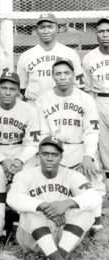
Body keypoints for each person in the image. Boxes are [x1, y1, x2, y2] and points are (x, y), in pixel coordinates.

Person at [7, 136, 101, 260]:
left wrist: (66, 204)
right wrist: (43, 206)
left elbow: (95, 197)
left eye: (54, 155)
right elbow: (12, 198)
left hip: (63, 237)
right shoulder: (25, 175)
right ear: (38, 156)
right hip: (33, 239)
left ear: (61, 157)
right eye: (45, 154)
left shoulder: (72, 175)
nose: (49, 159)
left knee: (86, 211)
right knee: (31, 211)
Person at [36, 58, 104, 231]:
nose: (63, 77)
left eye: (67, 73)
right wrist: (47, 155)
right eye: (58, 74)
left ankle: (96, 222)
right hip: (54, 148)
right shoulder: (43, 100)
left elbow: (91, 131)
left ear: (74, 75)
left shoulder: (86, 99)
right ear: (52, 76)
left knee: (92, 177)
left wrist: (88, 156)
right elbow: (43, 132)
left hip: (79, 146)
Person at [0, 70, 40, 202]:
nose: (7, 92)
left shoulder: (29, 110)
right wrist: (2, 160)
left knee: (27, 173)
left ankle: (21, 210)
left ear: (18, 91)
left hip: (20, 148)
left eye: (12, 89)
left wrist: (20, 160)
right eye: (4, 88)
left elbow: (33, 143)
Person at [17, 13, 83, 105]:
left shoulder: (70, 53)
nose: (46, 31)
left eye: (50, 27)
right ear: (37, 30)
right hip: (35, 104)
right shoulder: (26, 56)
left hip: (63, 104)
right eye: (42, 27)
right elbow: (22, 88)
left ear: (56, 29)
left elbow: (79, 85)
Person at [83, 17, 109, 188]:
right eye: (101, 31)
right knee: (104, 146)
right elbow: (88, 89)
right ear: (96, 34)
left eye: (108, 31)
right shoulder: (89, 57)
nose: (105, 34)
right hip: (100, 100)